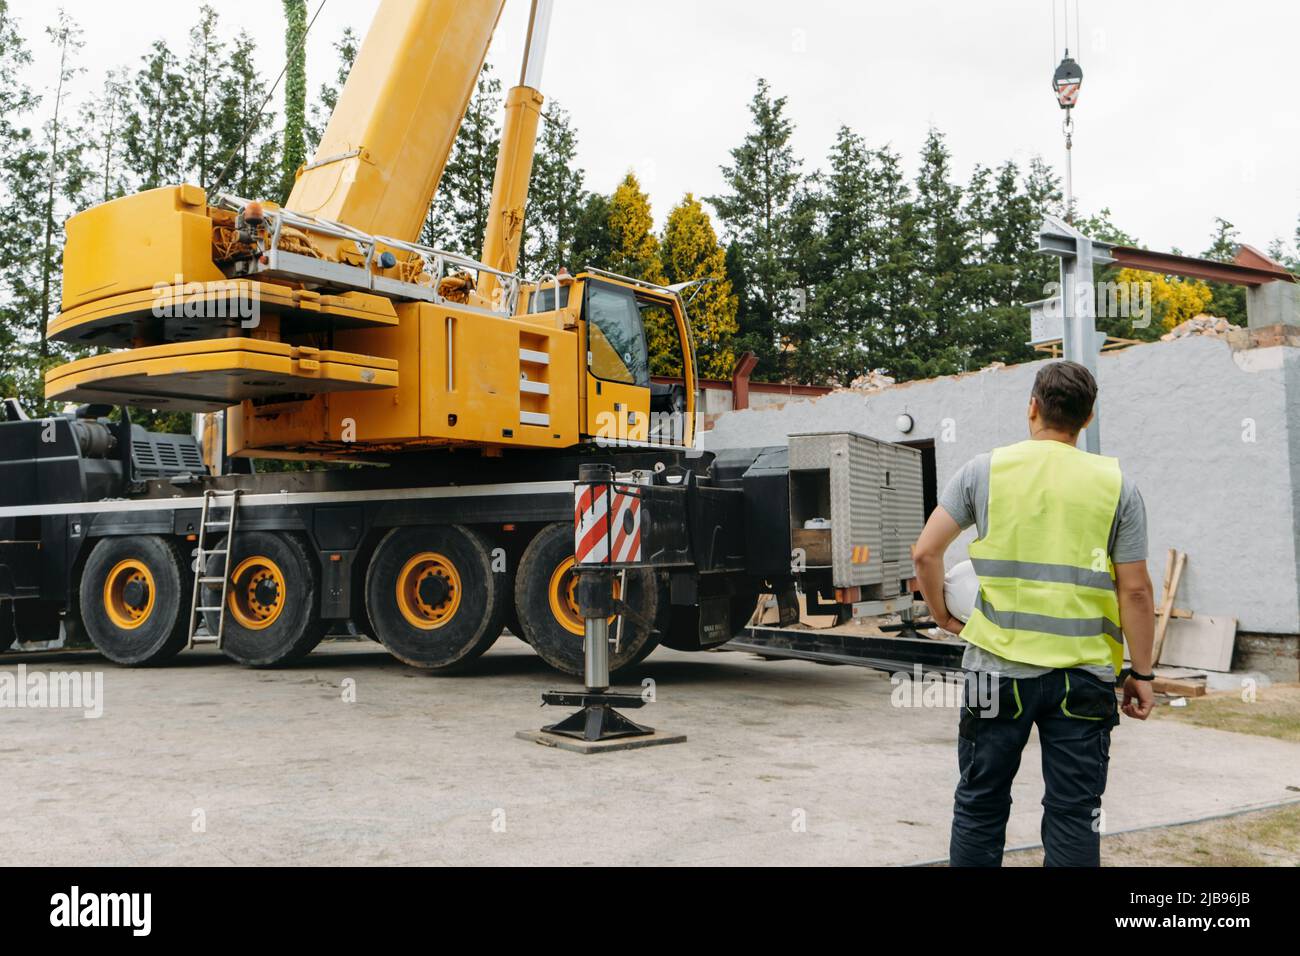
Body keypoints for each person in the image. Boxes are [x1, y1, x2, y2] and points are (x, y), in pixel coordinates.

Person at [912, 360, 1156, 867]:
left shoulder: (984, 471)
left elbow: (925, 554)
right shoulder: (1117, 486)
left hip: (994, 673)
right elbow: (1135, 591)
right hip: (1083, 677)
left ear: (1032, 407)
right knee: (1074, 811)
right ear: (1087, 418)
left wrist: (943, 616)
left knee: (981, 803)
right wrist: (1143, 672)